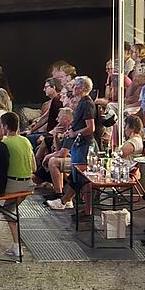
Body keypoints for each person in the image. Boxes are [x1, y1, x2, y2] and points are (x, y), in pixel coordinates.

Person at [48, 76, 96, 212]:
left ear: (80, 88)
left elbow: (90, 127)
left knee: (81, 176)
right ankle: (66, 201)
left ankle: (67, 202)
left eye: (75, 86)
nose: (72, 88)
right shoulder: (81, 103)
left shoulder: (87, 104)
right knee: (76, 176)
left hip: (84, 145)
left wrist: (75, 133)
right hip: (78, 144)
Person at [0, 112, 35, 258]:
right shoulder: (25, 141)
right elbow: (34, 166)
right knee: (10, 211)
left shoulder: (5, 143)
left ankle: (16, 245)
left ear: (5, 126)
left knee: (8, 212)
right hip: (28, 184)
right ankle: (15, 245)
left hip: (14, 185)